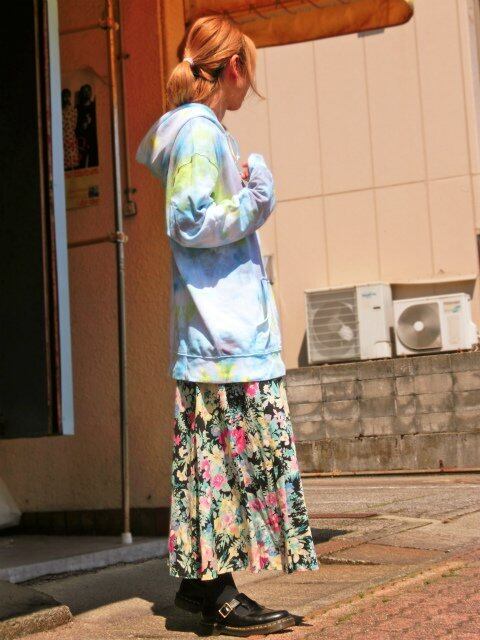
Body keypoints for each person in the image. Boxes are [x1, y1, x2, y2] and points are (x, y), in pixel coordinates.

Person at [135, 13, 319, 637]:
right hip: (222, 336)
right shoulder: (198, 132)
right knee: (229, 464)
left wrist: (237, 192)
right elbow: (188, 221)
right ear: (233, 68)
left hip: (217, 333)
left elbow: (194, 213)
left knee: (216, 463)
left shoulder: (200, 132)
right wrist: (255, 200)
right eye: (249, 72)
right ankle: (218, 595)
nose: (249, 85)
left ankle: (200, 585)